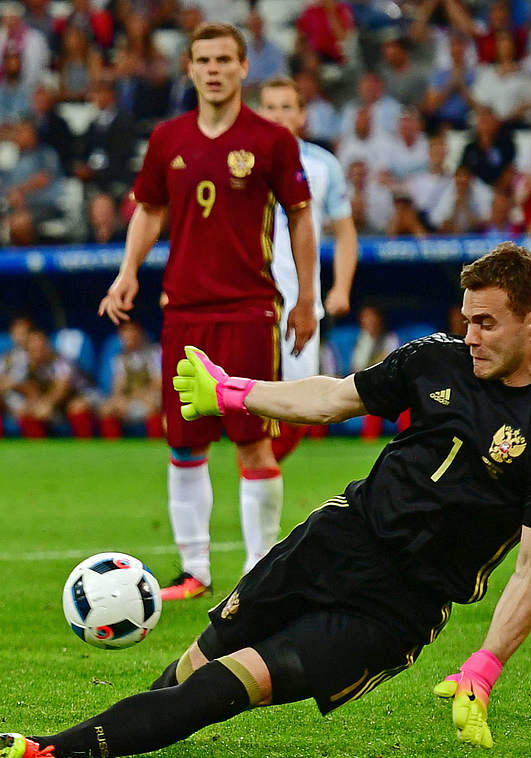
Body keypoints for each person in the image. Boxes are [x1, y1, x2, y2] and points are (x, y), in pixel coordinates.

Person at [0, 243, 531, 758]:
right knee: (196, 666)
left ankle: (46, 750)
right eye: (467, 320)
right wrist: (233, 393)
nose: (471, 337)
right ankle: (112, 739)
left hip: (395, 607)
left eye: (486, 324)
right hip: (335, 540)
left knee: (227, 687)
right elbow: (331, 398)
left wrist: (485, 665)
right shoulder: (436, 358)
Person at [98, 23, 316, 599]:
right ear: (190, 69)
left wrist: (306, 299)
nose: (213, 69)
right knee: (184, 443)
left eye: (224, 59)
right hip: (185, 311)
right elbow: (149, 209)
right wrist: (127, 271)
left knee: (253, 442)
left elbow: (300, 217)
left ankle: (258, 573)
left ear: (244, 67)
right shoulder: (167, 138)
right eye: (204, 60)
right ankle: (194, 570)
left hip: (250, 310)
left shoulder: (271, 140)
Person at [255, 76, 359, 465]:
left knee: (300, 408)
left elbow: (345, 232)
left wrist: (341, 287)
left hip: (301, 301)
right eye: (270, 107)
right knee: (249, 398)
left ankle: (260, 474)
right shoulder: (242, 160)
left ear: (302, 115)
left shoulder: (322, 165)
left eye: (286, 107)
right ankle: (256, 476)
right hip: (251, 297)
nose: (278, 115)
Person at [97, 320, 162, 439]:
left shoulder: (154, 352)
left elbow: (158, 383)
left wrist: (141, 395)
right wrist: (119, 400)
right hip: (131, 399)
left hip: (150, 396)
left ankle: (156, 442)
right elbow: (118, 387)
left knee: (153, 403)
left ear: (139, 333)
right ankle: (112, 446)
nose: (129, 336)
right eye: (125, 332)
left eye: (132, 331)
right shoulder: (120, 358)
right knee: (107, 409)